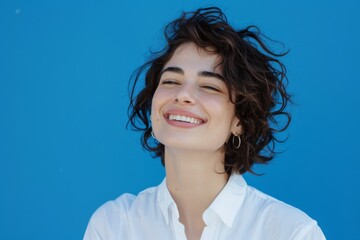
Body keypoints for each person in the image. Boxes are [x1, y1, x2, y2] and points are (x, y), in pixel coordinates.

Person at [84, 7, 326, 240]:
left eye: (209, 86)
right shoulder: (113, 225)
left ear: (239, 121)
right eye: (170, 81)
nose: (183, 95)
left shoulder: (292, 233)